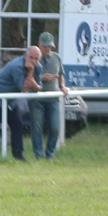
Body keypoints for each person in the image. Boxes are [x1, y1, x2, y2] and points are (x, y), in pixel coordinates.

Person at [0, 46, 39, 162]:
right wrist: (31, 72)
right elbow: (24, 89)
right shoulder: (16, 67)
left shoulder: (39, 67)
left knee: (17, 123)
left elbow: (37, 88)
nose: (33, 61)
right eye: (31, 57)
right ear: (25, 56)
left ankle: (18, 155)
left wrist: (34, 78)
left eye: (36, 58)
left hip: (9, 98)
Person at [30, 32, 66, 160]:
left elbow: (61, 75)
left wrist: (62, 86)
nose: (48, 49)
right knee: (37, 127)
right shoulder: (33, 58)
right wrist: (41, 78)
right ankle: (38, 155)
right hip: (37, 99)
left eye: (50, 47)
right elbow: (27, 78)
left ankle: (50, 154)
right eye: (45, 47)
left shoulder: (56, 58)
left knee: (55, 127)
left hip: (53, 99)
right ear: (39, 45)